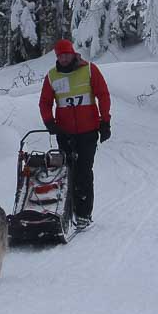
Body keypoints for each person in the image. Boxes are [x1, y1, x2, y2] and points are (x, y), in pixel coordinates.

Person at [38, 39, 111, 229]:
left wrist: (105, 121)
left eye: (66, 54)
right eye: (59, 56)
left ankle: (84, 213)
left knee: (84, 172)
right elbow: (45, 102)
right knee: (67, 171)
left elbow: (103, 94)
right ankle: (66, 209)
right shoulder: (52, 76)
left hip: (88, 131)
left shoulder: (89, 70)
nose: (63, 58)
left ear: (73, 54)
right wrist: (49, 123)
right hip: (65, 132)